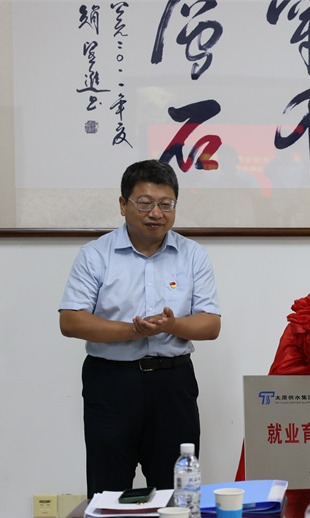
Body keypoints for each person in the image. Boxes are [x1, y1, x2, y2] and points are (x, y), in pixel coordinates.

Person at [59, 159, 221, 497]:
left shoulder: (193, 255)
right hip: (112, 384)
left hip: (173, 384)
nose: (156, 213)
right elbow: (71, 320)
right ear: (123, 205)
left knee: (177, 492)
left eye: (166, 204)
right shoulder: (95, 255)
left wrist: (172, 325)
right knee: (108, 490)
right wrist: (133, 331)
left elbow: (210, 324)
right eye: (145, 203)